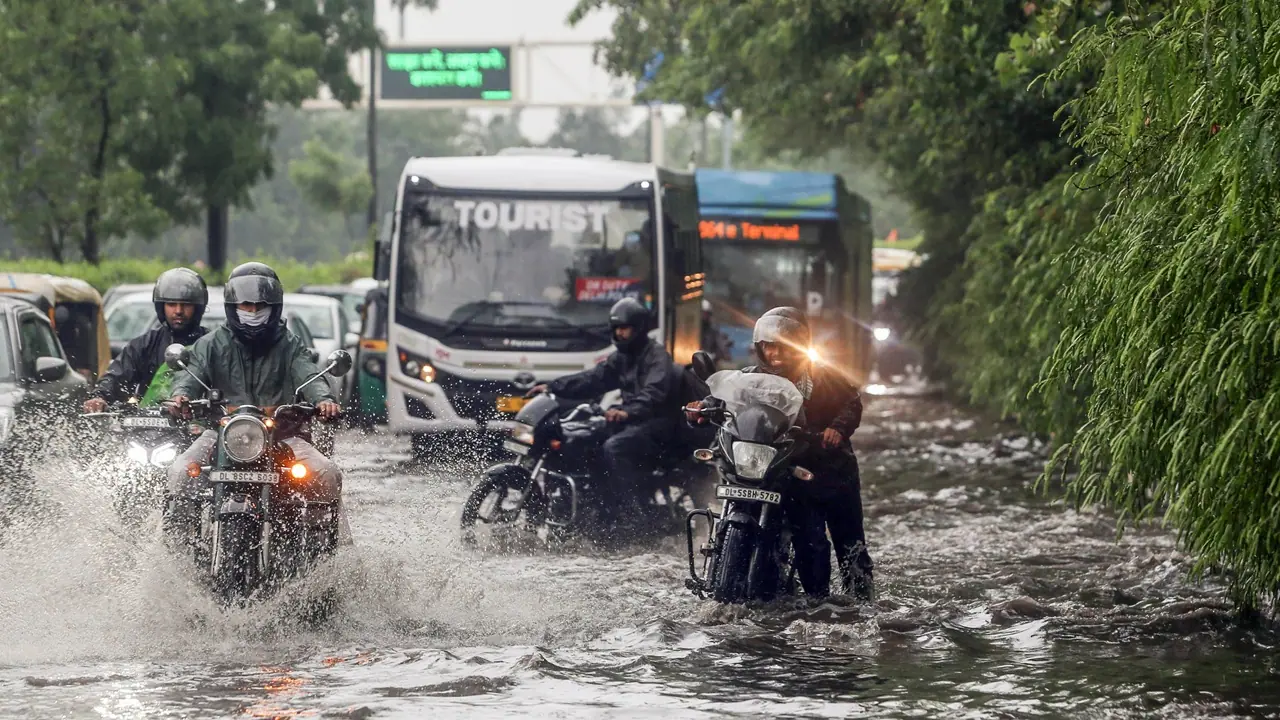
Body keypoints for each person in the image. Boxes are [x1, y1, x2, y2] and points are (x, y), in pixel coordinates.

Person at [689, 307, 874, 601]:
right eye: (769, 346)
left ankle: (840, 607)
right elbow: (727, 396)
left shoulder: (821, 379)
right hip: (773, 465)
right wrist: (702, 407)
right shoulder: (751, 377)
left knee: (838, 542)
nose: (776, 353)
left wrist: (836, 429)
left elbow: (851, 402)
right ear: (759, 348)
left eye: (783, 347)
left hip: (825, 467)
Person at [163, 262, 347, 544]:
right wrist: (181, 397)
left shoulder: (290, 345)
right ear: (232, 306)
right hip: (222, 434)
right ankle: (178, 549)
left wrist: (324, 400)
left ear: (274, 307)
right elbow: (191, 375)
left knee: (326, 473)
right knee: (179, 471)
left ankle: (320, 555)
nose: (252, 312)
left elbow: (309, 375)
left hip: (284, 436)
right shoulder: (210, 345)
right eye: (245, 306)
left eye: (259, 306)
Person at [526, 297, 682, 533]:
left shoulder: (656, 356)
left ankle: (631, 516)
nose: (619, 334)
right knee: (579, 438)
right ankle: (590, 505)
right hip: (632, 421)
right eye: (616, 329)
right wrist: (553, 387)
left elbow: (654, 392)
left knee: (614, 448)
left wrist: (626, 412)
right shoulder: (621, 358)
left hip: (658, 424)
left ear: (639, 328)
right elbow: (593, 379)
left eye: (625, 328)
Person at [83, 268, 209, 412]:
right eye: (171, 304)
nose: (178, 311)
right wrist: (100, 396)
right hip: (146, 426)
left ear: (198, 308)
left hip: (198, 426)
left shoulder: (210, 345)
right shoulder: (145, 344)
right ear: (161, 307)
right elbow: (117, 376)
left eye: (186, 304)